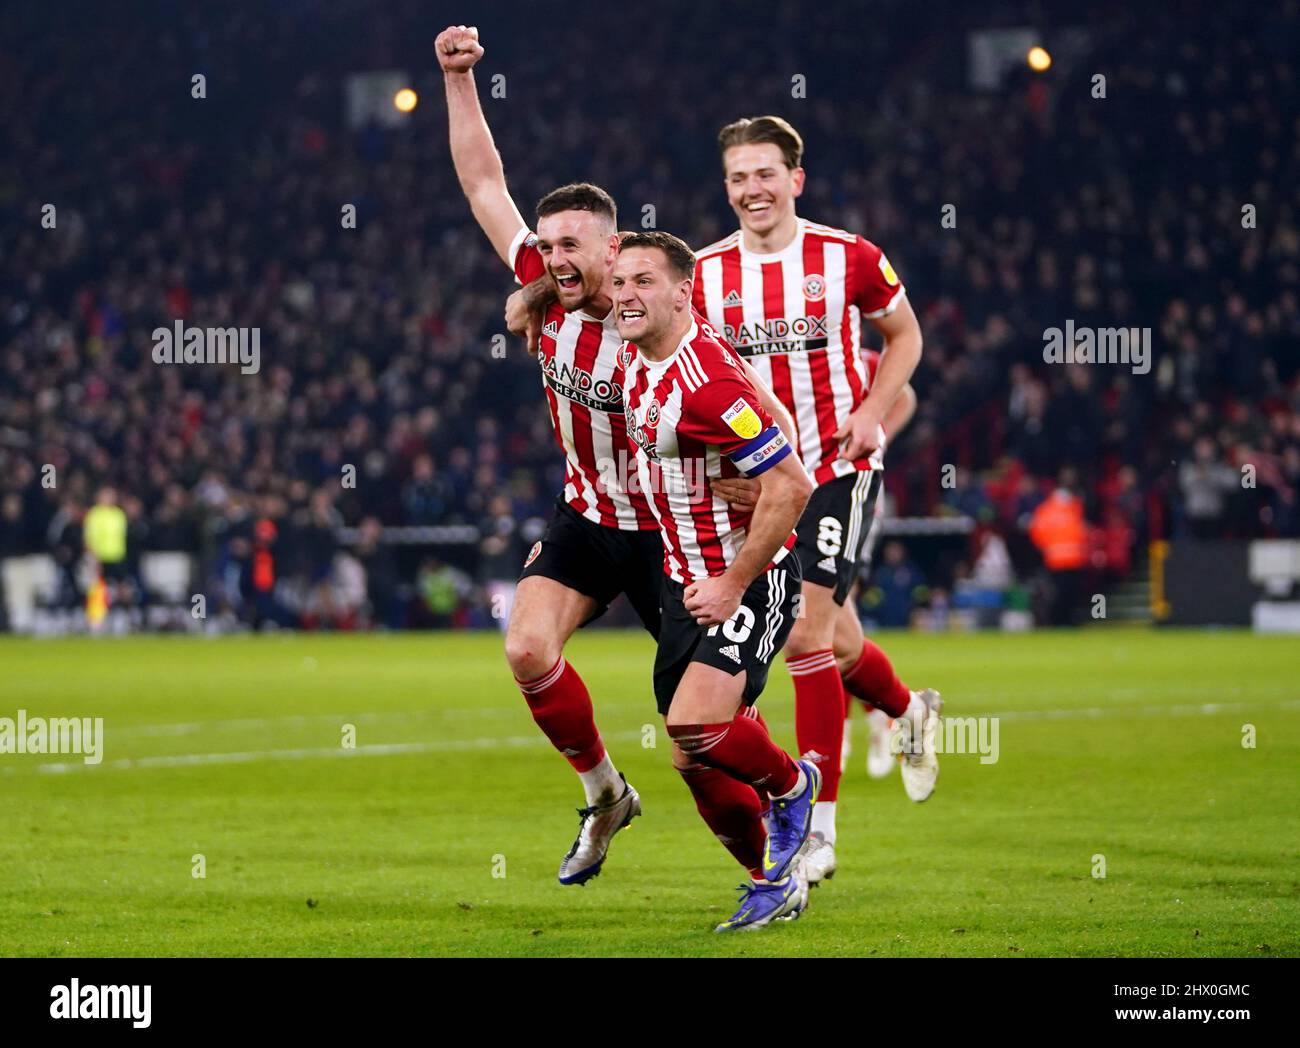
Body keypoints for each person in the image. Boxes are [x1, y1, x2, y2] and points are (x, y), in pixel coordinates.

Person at [614, 231, 819, 931]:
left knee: (696, 724)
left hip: (743, 581)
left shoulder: (705, 383)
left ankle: (794, 786)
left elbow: (793, 482)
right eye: (620, 283)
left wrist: (735, 579)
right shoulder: (641, 361)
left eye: (644, 282)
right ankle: (773, 880)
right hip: (682, 582)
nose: (626, 296)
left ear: (682, 292)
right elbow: (778, 425)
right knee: (692, 757)